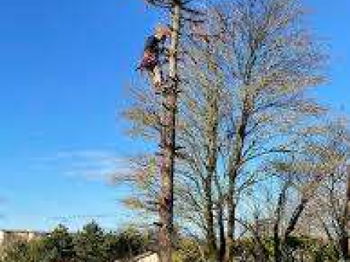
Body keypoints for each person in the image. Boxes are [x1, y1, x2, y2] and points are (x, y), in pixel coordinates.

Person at [138, 26, 171, 91]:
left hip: (149, 60)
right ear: (160, 35)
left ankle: (158, 86)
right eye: (163, 38)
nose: (163, 40)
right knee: (157, 71)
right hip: (149, 59)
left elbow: (160, 51)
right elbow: (148, 48)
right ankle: (159, 85)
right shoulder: (152, 38)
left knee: (156, 73)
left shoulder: (157, 42)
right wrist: (150, 56)